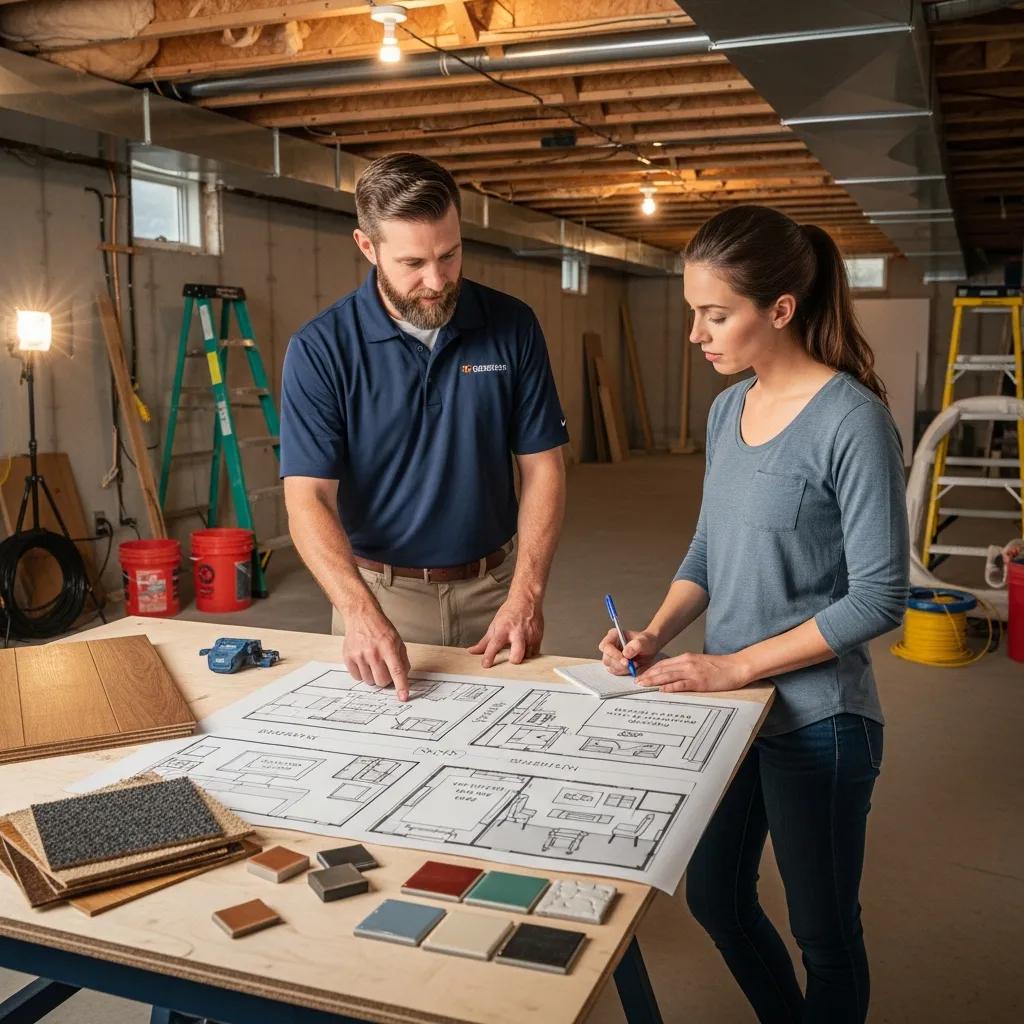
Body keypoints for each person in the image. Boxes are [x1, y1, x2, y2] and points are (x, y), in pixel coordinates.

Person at [599, 205, 909, 1023]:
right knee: (718, 901)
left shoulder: (853, 421)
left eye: (716, 314)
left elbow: (880, 596)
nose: (697, 333)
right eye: (693, 312)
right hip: (728, 715)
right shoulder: (724, 412)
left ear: (780, 309)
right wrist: (656, 631)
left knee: (825, 936)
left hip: (819, 724)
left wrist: (735, 665)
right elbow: (708, 549)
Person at [281, 153, 568, 702]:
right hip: (378, 600)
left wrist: (527, 593)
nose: (436, 280)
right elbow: (308, 499)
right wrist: (359, 612)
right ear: (367, 246)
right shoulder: (321, 349)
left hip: (495, 592)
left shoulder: (512, 326)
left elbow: (543, 468)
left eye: (450, 254)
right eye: (413, 262)